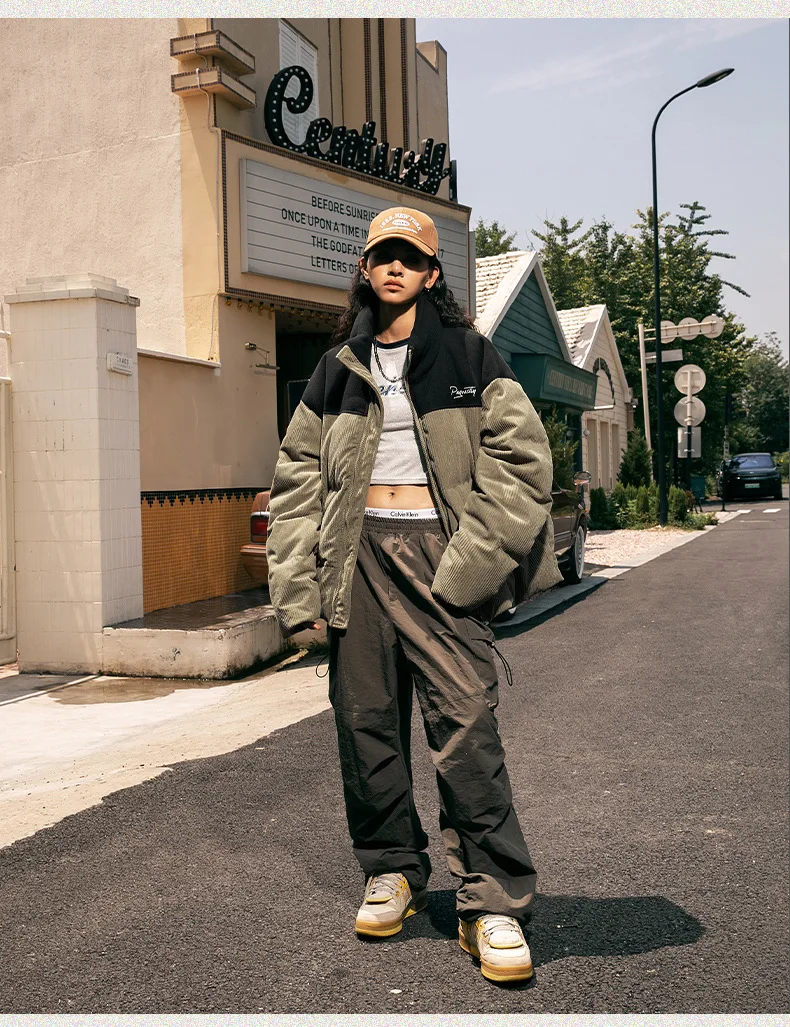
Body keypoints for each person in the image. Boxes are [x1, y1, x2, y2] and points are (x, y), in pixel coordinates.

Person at [266, 206, 562, 984]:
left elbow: (524, 462)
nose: (394, 267)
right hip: (356, 558)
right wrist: (297, 585)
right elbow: (296, 481)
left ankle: (492, 897)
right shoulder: (338, 368)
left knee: (466, 726)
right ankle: (392, 864)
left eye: (410, 257)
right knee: (365, 725)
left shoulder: (469, 353)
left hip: (441, 554)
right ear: (365, 270)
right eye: (381, 256)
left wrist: (470, 565)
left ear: (432, 274)